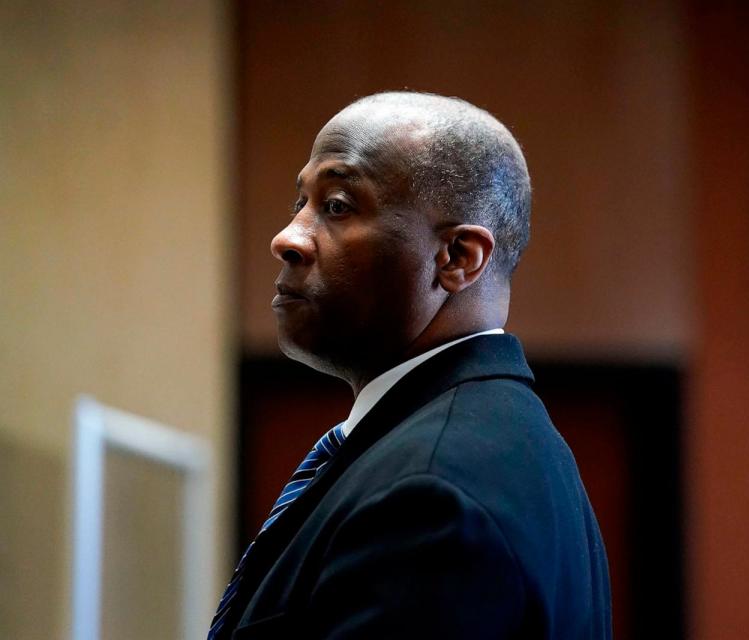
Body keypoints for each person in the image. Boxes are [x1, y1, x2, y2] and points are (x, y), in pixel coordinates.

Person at [209, 92, 612, 639]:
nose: (288, 238)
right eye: (299, 203)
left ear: (457, 258)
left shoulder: (431, 492)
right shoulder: (496, 441)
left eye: (336, 206)